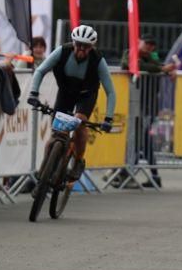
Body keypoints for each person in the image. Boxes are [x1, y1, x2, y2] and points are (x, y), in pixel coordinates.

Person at [27, 25, 116, 183]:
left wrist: (108, 118)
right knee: (56, 134)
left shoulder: (97, 59)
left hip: (86, 95)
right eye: (78, 44)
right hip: (66, 93)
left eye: (86, 46)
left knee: (80, 122)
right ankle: (45, 170)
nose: (81, 49)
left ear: (91, 47)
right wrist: (33, 93)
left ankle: (78, 161)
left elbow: (110, 91)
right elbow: (40, 70)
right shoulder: (62, 51)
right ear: (73, 42)